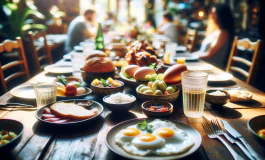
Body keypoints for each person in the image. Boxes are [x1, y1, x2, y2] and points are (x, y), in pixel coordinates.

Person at [193, 4, 235, 70]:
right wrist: (191, 55)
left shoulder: (223, 33)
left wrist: (191, 56)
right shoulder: (216, 31)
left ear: (221, 16)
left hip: (211, 68)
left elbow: (209, 55)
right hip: (202, 65)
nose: (211, 16)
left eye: (214, 13)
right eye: (211, 13)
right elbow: (202, 51)